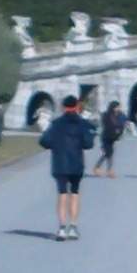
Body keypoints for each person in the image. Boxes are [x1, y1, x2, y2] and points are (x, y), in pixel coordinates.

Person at [38, 94, 95, 241]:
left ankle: (62, 228)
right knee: (75, 194)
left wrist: (56, 144)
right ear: (77, 106)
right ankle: (73, 227)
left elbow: (44, 141)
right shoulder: (83, 124)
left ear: (63, 107)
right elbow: (88, 144)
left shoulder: (56, 124)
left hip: (60, 162)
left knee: (62, 194)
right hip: (76, 162)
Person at [93, 100, 126, 178]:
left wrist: (118, 133)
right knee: (107, 153)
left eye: (119, 107)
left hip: (113, 137)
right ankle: (97, 167)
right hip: (106, 136)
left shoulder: (119, 115)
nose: (118, 109)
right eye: (117, 107)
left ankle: (109, 170)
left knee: (110, 153)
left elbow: (122, 124)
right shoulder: (106, 115)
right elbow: (107, 125)